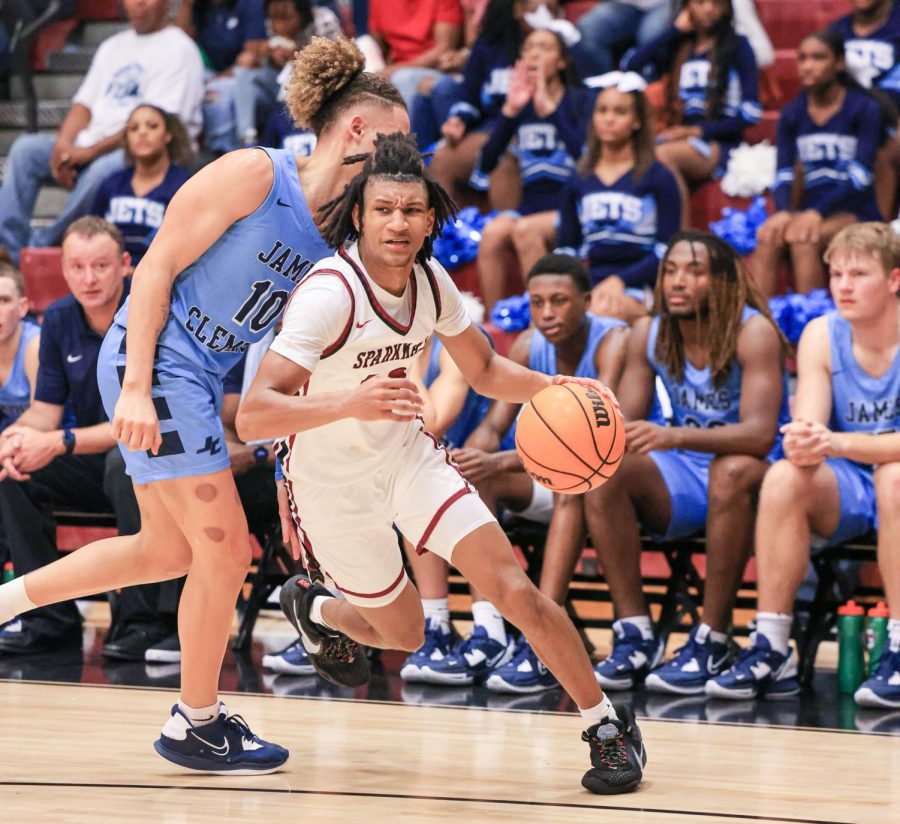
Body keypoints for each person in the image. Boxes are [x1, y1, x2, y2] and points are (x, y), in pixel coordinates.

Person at [0, 36, 409, 774]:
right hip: (158, 359)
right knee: (225, 552)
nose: (403, 153)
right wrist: (134, 387)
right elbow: (153, 267)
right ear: (358, 132)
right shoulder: (256, 173)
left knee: (167, 550)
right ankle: (197, 719)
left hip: (198, 373)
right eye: (396, 138)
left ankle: (6, 602)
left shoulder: (335, 232)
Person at [236, 131, 645, 794]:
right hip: (332, 489)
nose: (398, 222)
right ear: (360, 216)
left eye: (410, 210)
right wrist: (349, 403)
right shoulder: (329, 294)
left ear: (430, 219)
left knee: (517, 591)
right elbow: (254, 414)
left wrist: (557, 390)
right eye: (385, 210)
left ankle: (607, 727)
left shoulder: (431, 282)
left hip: (408, 460)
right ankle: (317, 611)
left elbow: (482, 369)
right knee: (402, 634)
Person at [582, 230, 788, 693]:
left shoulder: (753, 331)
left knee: (729, 471)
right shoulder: (649, 332)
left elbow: (759, 435)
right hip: (685, 470)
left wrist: (673, 434)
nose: (678, 282)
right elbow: (626, 423)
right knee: (603, 474)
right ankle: (635, 633)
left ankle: (712, 636)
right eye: (671, 271)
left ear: (723, 282)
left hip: (758, 472)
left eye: (694, 272)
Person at [413, 253, 629, 691]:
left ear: (586, 301)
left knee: (572, 487)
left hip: (600, 487)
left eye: (559, 301)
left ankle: (541, 638)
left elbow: (605, 448)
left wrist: (498, 461)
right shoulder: (529, 346)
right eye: (537, 302)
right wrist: (469, 461)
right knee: (455, 474)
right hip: (536, 479)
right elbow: (493, 428)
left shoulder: (614, 343)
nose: (547, 313)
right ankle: (489, 630)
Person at [708, 222, 900, 708]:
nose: (844, 285)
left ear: (895, 280)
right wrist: (805, 443)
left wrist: (832, 442)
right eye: (836, 274)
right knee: (784, 475)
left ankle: (898, 645)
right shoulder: (821, 332)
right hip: (853, 479)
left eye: (859, 273)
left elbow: (840, 443)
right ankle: (773, 645)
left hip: (890, 478)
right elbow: (810, 433)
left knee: (896, 478)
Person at [0, 219, 175, 661]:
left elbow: (142, 420)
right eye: (77, 267)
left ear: (125, 265)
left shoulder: (151, 311)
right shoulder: (59, 317)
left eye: (100, 266)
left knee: (128, 463)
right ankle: (48, 617)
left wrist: (61, 441)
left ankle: (144, 622)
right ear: (64, 269)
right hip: (87, 455)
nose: (89, 278)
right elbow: (46, 411)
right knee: (12, 470)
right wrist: (14, 439)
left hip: (152, 453)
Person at [0, 0, 204, 262]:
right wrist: (64, 146)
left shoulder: (180, 48)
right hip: (87, 146)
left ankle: (43, 245)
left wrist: (87, 153)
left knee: (105, 168)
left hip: (135, 152)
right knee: (25, 149)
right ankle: (8, 248)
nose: (138, 4)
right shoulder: (112, 46)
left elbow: (152, 124)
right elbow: (82, 105)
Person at [753, 30, 885, 297]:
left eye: (818, 57)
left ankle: (811, 325)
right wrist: (783, 211)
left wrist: (817, 213)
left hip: (855, 211)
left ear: (838, 63)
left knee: (803, 240)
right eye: (802, 58)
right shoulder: (792, 113)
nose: (808, 66)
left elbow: (859, 177)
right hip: (810, 211)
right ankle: (756, 326)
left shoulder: (864, 109)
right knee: (768, 238)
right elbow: (784, 174)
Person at [475, 27, 594, 313]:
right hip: (530, 207)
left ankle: (540, 324)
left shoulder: (581, 101)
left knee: (526, 232)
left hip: (573, 209)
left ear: (562, 61)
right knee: (492, 233)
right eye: (529, 48)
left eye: (545, 47)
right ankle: (495, 323)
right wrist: (509, 112)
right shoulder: (520, 107)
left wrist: (550, 110)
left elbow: (588, 162)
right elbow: (485, 164)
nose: (535, 53)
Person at [556, 70, 683, 323]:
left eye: (620, 112)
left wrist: (620, 280)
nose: (609, 119)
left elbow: (666, 251)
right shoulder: (578, 179)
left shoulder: (659, 178)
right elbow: (568, 249)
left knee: (599, 315)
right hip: (591, 284)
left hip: (642, 286)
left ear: (637, 121)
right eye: (602, 111)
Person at [622, 0, 760, 191]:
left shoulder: (739, 46)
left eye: (716, 3)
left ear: (727, 7)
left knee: (660, 156)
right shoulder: (679, 48)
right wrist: (673, 31)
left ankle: (678, 222)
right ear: (687, 6)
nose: (709, 9)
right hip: (677, 138)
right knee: (627, 157)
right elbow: (631, 65)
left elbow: (751, 114)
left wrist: (695, 132)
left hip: (720, 144)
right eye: (700, 2)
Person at [91, 106, 193, 268]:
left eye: (152, 126)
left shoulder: (185, 185)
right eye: (134, 128)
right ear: (127, 138)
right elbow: (92, 234)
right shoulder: (111, 183)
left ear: (168, 135)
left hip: (162, 277)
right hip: (113, 276)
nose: (142, 133)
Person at [234, 0, 343, 149]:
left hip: (318, 90)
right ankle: (247, 137)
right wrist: (270, 56)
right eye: (274, 18)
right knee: (243, 73)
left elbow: (341, 61)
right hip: (281, 89)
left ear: (303, 15)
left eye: (286, 18)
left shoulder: (324, 19)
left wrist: (300, 55)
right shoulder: (271, 20)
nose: (279, 25)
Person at [830, 0, 900, 220]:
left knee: (888, 149)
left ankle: (881, 229)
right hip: (850, 122)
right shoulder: (835, 31)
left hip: (892, 122)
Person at [368, 0, 464, 109]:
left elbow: (444, 48)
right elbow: (378, 43)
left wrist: (394, 70)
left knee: (403, 78)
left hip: (436, 69)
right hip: (393, 68)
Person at [576, 0, 672, 79]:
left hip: (664, 4)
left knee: (651, 35)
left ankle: (643, 93)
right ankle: (602, 88)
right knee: (588, 27)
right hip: (623, 4)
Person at [0, 265, 39, 435]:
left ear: (22, 307)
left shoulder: (35, 345)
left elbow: (42, 417)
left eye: (4, 300)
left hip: (51, 442)